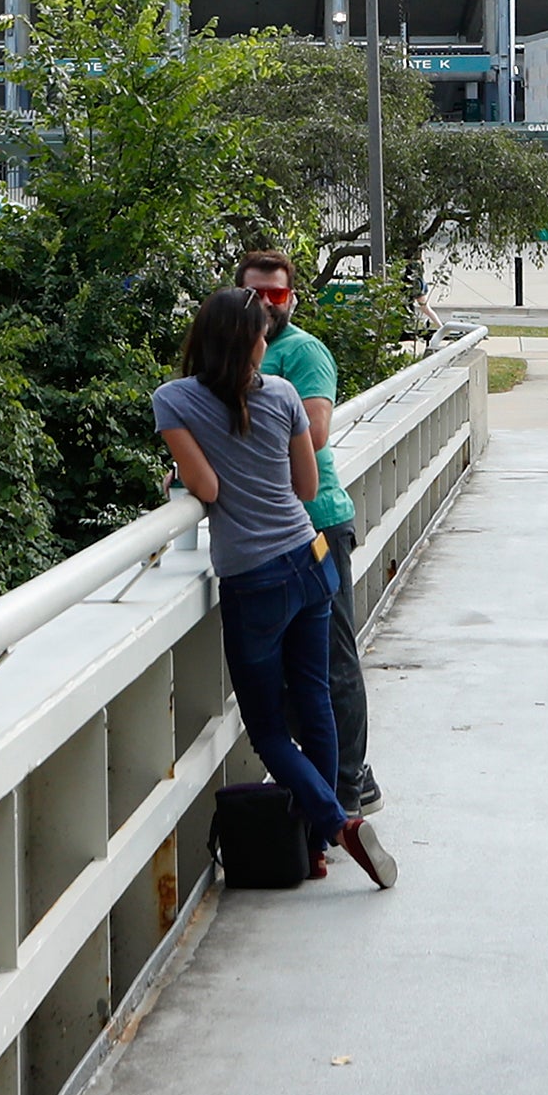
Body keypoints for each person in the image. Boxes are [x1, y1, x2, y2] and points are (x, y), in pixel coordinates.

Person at [151, 289, 397, 890]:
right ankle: (315, 846)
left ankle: (335, 825)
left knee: (266, 726)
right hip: (311, 559)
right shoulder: (284, 394)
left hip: (253, 577)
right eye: (263, 336)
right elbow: (307, 487)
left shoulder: (173, 400)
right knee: (314, 701)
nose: (267, 344)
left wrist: (186, 468)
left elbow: (208, 489)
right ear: (252, 343)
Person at [245, 246, 384, 812]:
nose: (265, 303)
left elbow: (317, 432)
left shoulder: (302, 351)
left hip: (317, 523)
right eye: (254, 293)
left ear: (292, 299)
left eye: (276, 294)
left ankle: (350, 784)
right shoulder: (234, 352)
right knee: (289, 668)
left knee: (332, 659)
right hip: (269, 529)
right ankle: (331, 776)